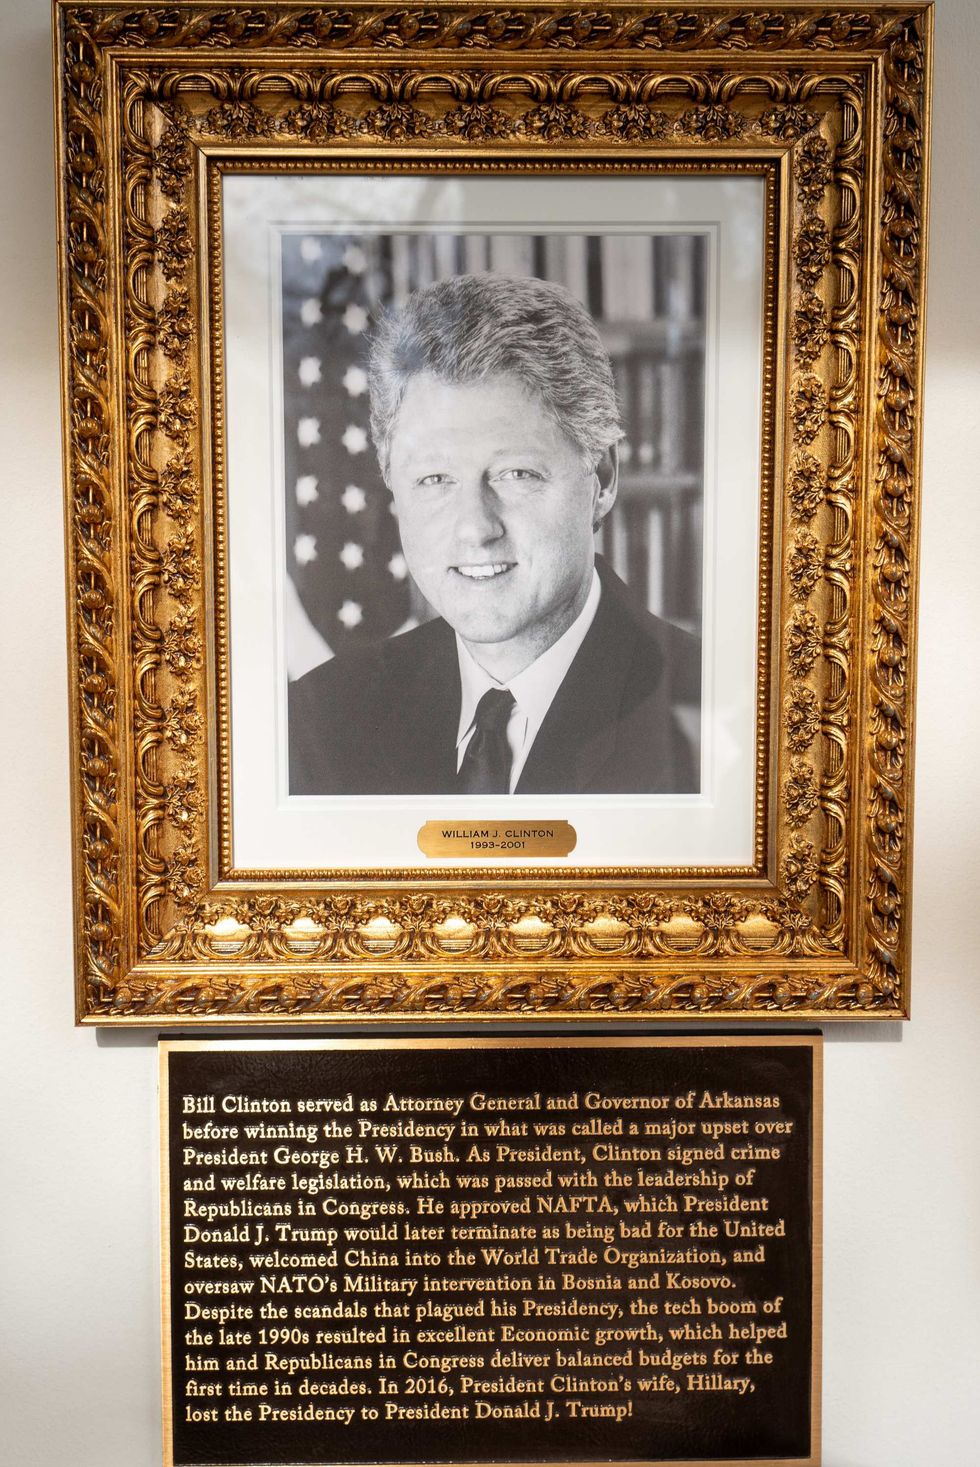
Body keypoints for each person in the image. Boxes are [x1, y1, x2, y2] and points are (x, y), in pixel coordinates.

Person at [288, 272, 700, 795]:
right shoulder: (321, 721)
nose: (476, 528)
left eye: (516, 474)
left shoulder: (711, 715)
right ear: (392, 486)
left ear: (602, 480)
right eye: (435, 479)